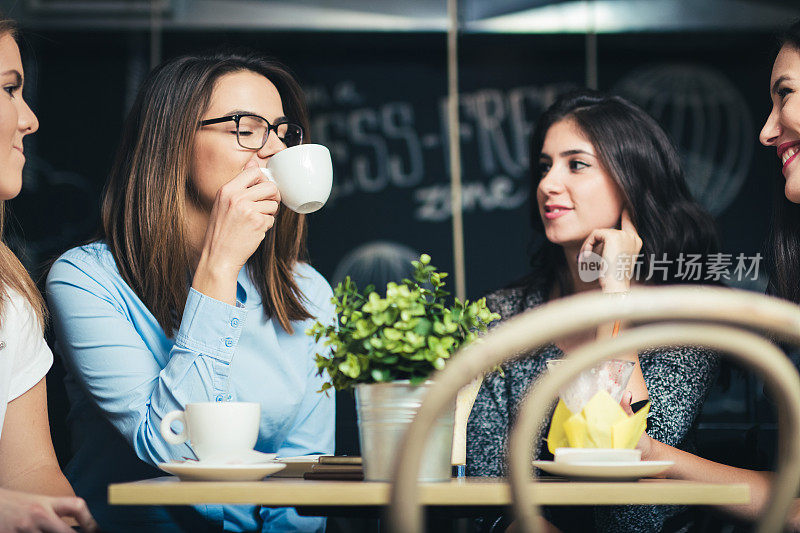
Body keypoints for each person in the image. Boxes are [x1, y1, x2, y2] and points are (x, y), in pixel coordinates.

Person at [46, 50, 335, 531]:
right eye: (246, 127)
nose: (273, 151)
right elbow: (175, 449)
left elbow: (304, 483)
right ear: (173, 141)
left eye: (282, 132)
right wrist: (219, 268)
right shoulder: (86, 280)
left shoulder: (310, 293)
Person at [466, 89, 721, 532]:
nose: (548, 183)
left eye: (576, 164)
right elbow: (485, 485)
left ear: (632, 182)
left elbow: (629, 465)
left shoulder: (685, 321)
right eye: (545, 166)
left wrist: (615, 289)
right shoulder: (503, 315)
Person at [0, 15, 97, 533]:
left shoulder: (9, 295)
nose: (29, 118)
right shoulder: (88, 277)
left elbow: (31, 470)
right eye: (9, 90)